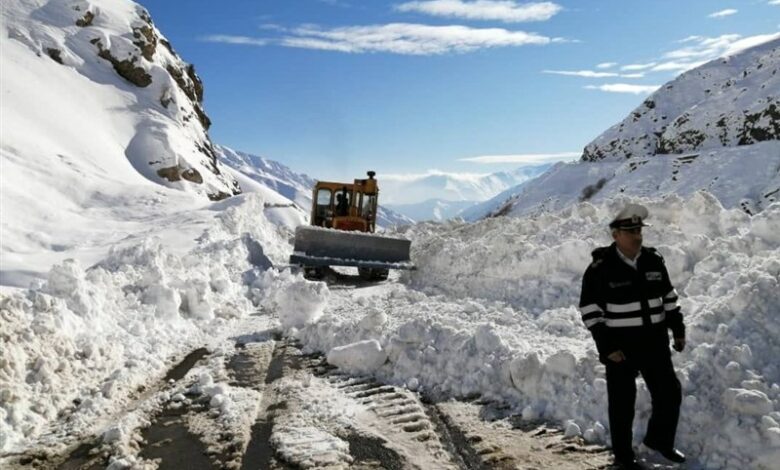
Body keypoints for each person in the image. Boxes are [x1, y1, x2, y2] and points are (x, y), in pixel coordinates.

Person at [579, 203, 686, 470]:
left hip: (655, 342)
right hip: (621, 347)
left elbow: (669, 299)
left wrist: (678, 329)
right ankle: (624, 457)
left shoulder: (653, 260)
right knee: (622, 403)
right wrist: (607, 347)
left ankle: (659, 441)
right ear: (615, 234)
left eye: (639, 230)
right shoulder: (600, 268)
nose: (637, 235)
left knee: (669, 393)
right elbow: (591, 311)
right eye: (630, 231)